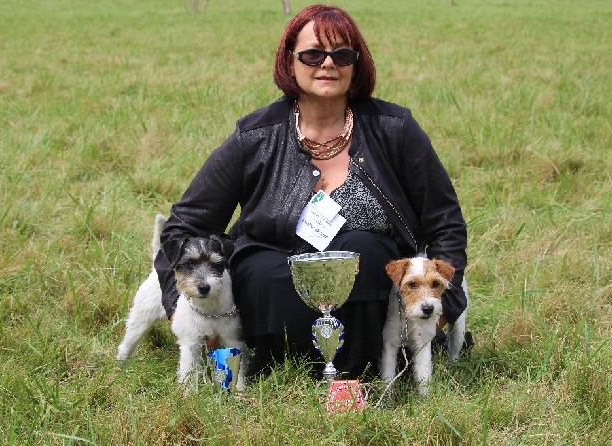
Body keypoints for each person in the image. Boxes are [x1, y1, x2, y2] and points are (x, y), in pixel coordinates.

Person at [154, 4, 467, 379]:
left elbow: (446, 222)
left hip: (368, 300)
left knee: (364, 249)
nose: (328, 64)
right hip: (272, 282)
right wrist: (179, 309)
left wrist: (443, 306)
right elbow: (182, 226)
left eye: (342, 54)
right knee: (263, 270)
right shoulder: (255, 135)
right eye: (313, 53)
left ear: (357, 63)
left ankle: (362, 372)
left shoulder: (395, 129)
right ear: (290, 62)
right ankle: (274, 367)